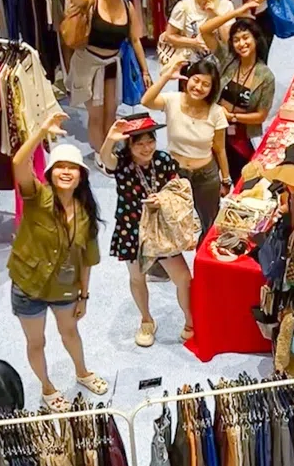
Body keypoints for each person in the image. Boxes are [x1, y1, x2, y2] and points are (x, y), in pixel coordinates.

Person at [8, 111, 106, 408]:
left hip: (65, 287)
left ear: (81, 176)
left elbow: (87, 260)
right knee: (36, 342)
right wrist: (41, 131)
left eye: (72, 168)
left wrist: (84, 295)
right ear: (50, 173)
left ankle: (82, 372)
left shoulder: (86, 213)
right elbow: (18, 163)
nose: (65, 172)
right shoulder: (37, 196)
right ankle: (47, 388)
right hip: (28, 286)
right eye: (60, 167)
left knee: (70, 333)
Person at [99, 114, 194, 346]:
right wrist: (110, 138)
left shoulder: (163, 160)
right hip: (132, 228)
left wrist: (163, 199)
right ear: (129, 145)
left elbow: (178, 189)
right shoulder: (122, 163)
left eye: (150, 141)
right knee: (136, 277)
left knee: (183, 278)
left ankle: (191, 321)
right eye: (139, 143)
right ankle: (146, 320)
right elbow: (105, 159)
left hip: (161, 227)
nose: (146, 148)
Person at [66, 0, 152, 164]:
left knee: (111, 112)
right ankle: (100, 156)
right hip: (88, 65)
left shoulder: (128, 7)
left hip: (112, 64)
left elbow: (135, 40)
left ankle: (108, 150)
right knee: (95, 115)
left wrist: (145, 70)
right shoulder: (92, 0)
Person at [141, 55, 231, 235]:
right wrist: (166, 76)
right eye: (195, 80)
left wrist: (226, 179)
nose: (198, 87)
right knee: (172, 222)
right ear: (187, 78)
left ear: (212, 89)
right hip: (175, 173)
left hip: (206, 175)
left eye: (206, 84)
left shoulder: (217, 112)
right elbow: (146, 101)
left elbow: (220, 148)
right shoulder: (173, 100)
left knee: (209, 223)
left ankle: (201, 254)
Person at [214, 18, 276, 182]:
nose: (241, 44)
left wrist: (232, 117)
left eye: (245, 37)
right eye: (236, 40)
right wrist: (234, 13)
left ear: (255, 39)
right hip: (215, 128)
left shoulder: (265, 76)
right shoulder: (228, 61)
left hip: (241, 136)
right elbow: (205, 31)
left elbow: (261, 115)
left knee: (244, 179)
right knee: (213, 176)